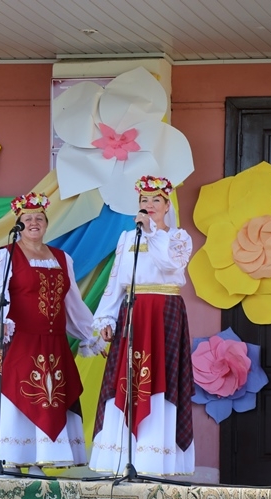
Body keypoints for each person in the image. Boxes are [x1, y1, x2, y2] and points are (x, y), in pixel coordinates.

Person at [0, 192, 104, 474]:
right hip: (17, 339)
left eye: (39, 218)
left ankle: (38, 461)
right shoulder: (5, 256)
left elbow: (71, 301)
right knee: (16, 396)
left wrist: (88, 334)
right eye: (27, 219)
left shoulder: (61, 258)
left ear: (46, 223)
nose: (33, 223)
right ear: (18, 223)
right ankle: (10, 458)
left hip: (52, 344)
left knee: (48, 397)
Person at [89, 176, 195, 476]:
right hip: (133, 311)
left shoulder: (178, 237)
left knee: (161, 376)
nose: (149, 205)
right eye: (144, 201)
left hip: (164, 313)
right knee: (128, 376)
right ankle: (122, 457)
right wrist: (107, 316)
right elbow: (117, 279)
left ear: (167, 205)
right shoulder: (127, 237)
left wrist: (152, 233)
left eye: (155, 200)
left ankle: (155, 458)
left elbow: (170, 265)